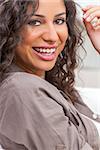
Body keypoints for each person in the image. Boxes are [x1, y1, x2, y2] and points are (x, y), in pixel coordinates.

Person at [0, 0, 100, 149]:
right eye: (34, 22)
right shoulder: (23, 90)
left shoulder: (51, 82)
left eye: (59, 21)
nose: (52, 36)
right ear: (8, 28)